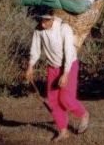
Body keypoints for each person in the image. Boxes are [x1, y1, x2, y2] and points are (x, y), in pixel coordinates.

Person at [25, 13, 89, 141]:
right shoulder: (39, 30)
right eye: (41, 20)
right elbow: (36, 49)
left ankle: (83, 114)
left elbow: (69, 52)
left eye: (46, 20)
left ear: (52, 19)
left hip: (69, 65)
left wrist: (65, 74)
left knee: (65, 98)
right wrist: (30, 67)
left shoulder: (63, 28)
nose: (43, 24)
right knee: (53, 100)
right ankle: (63, 131)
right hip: (52, 67)